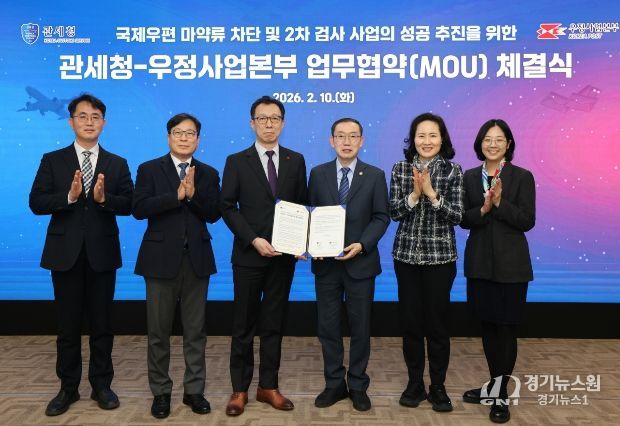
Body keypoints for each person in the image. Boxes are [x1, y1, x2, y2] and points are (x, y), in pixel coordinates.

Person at [29, 94, 133, 416]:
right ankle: (68, 388)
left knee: (102, 325)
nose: (89, 122)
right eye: (83, 116)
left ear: (104, 123)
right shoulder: (53, 160)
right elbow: (36, 202)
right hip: (65, 254)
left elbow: (129, 204)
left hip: (102, 254)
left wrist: (104, 199)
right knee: (68, 327)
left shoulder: (117, 163)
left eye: (95, 116)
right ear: (71, 121)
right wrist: (69, 196)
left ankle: (102, 385)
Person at [220, 96, 308, 416]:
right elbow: (227, 206)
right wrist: (253, 239)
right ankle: (240, 389)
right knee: (243, 325)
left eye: (275, 118)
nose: (269, 124)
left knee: (274, 323)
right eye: (262, 118)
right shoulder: (236, 161)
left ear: (283, 123)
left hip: (283, 258)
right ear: (252, 123)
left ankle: (268, 386)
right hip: (248, 255)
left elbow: (301, 205)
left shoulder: (296, 160)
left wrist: (301, 241)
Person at [132, 113, 221, 419]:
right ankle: (161, 392)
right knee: (158, 332)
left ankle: (194, 390)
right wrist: (176, 196)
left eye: (190, 133)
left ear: (198, 139)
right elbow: (139, 208)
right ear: (168, 136)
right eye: (178, 132)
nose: (184, 138)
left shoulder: (208, 173)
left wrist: (193, 196)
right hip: (159, 261)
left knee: (196, 332)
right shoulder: (149, 169)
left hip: (197, 260)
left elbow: (214, 214)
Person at [308, 118, 389, 411]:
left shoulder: (375, 175)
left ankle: (357, 385)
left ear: (361, 141)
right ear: (331, 141)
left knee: (360, 327)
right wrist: (310, 243)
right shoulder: (318, 174)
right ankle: (334, 384)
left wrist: (362, 244)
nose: (346, 141)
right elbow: (310, 214)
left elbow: (381, 217)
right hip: (326, 266)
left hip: (361, 264)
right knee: (327, 327)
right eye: (340, 136)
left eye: (353, 136)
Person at [460, 119, 535, 423]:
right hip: (479, 264)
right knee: (488, 327)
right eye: (487, 139)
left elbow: (527, 221)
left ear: (508, 144)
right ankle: (493, 386)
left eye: (499, 139)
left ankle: (500, 395)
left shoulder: (522, 177)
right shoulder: (469, 177)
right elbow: (463, 219)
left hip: (512, 266)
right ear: (480, 144)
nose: (492, 144)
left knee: (506, 329)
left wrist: (501, 202)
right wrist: (483, 209)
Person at [389, 112, 463, 413]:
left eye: (433, 135)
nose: (427, 141)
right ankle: (415, 383)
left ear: (442, 139)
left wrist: (431, 195)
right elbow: (394, 212)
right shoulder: (400, 169)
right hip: (406, 258)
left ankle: (438, 386)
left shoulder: (453, 171)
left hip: (440, 260)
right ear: (413, 139)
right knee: (411, 325)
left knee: (437, 325)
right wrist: (414, 194)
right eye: (421, 135)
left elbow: (457, 216)